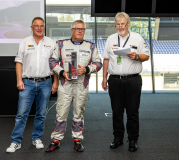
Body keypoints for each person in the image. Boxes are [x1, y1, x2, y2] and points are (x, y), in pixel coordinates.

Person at [45, 20, 102, 152]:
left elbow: (98, 63)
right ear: (72, 30)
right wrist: (62, 72)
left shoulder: (91, 46)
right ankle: (56, 140)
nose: (80, 31)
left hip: (82, 84)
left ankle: (77, 139)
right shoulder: (61, 44)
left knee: (79, 113)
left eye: (82, 29)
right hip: (65, 84)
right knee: (61, 112)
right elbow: (52, 61)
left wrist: (87, 69)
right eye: (77, 29)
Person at [6, 17, 58, 153]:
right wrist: (19, 80)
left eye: (42, 26)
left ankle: (37, 138)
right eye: (37, 26)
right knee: (21, 114)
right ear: (32, 27)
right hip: (27, 82)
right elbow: (19, 62)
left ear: (44, 27)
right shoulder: (24, 42)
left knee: (41, 114)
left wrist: (55, 82)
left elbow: (55, 65)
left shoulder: (51, 43)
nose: (39, 28)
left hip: (46, 82)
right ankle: (16, 141)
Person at [101, 12, 149, 152]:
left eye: (122, 23)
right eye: (117, 24)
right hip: (115, 80)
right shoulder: (110, 39)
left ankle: (133, 140)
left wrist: (137, 56)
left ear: (128, 24)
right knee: (116, 112)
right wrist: (104, 78)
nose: (120, 26)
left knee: (132, 112)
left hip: (133, 80)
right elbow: (106, 59)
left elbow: (146, 55)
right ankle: (118, 138)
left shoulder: (137, 38)